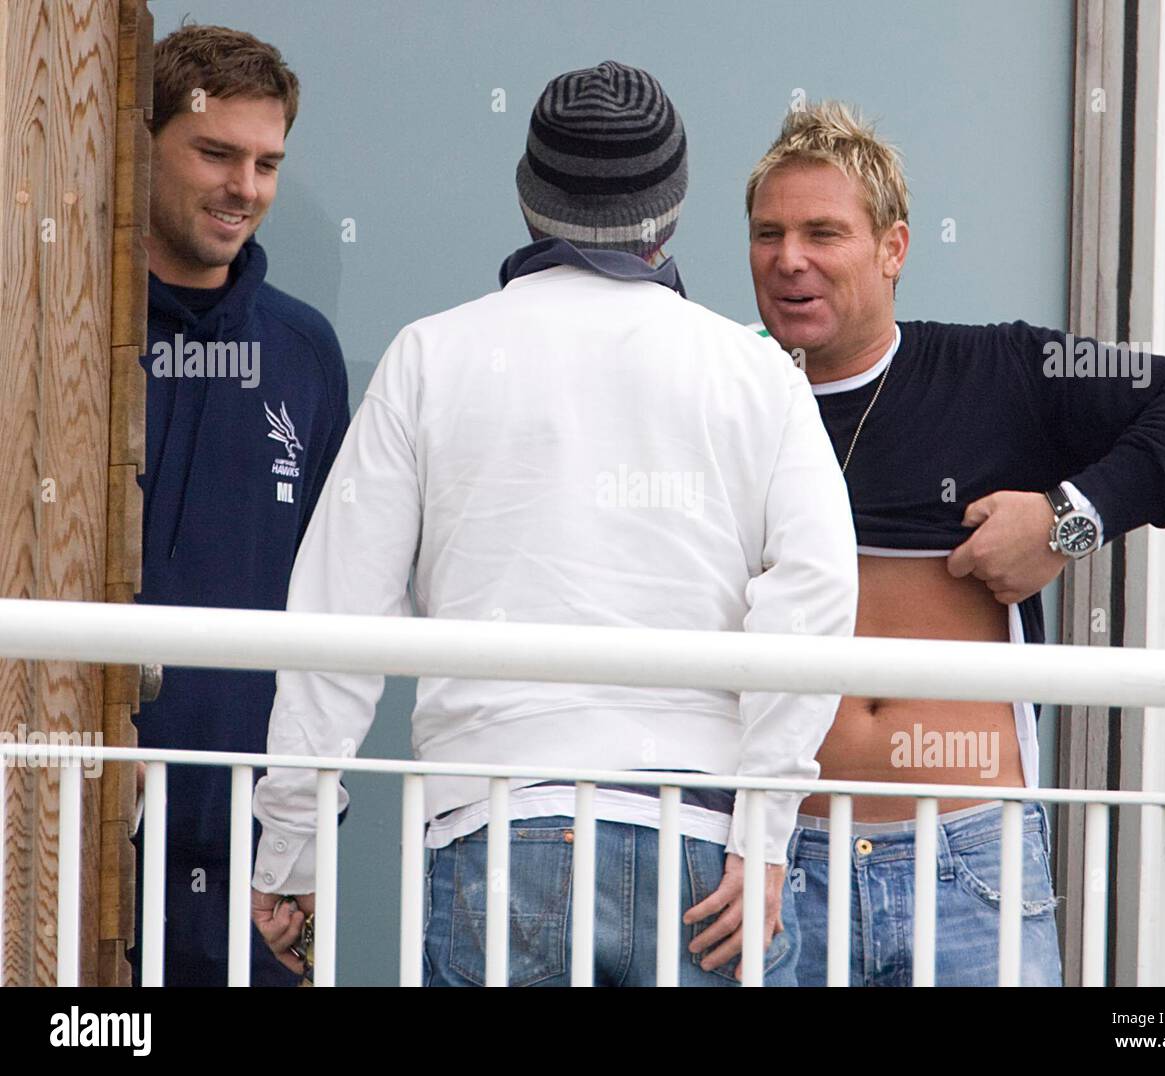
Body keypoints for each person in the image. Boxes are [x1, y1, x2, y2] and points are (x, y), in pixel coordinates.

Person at [249, 61, 857, 987]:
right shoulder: (756, 372)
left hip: (494, 822)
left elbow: (338, 619)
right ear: (675, 206)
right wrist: (765, 834)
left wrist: (291, 849)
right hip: (695, 838)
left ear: (529, 200)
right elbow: (813, 601)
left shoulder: (429, 356)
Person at [744, 101, 1165, 986]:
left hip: (965, 857)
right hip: (774, 857)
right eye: (769, 233)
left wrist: (1069, 518)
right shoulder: (727, 386)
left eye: (822, 232)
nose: (789, 258)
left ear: (893, 248)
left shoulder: (1001, 372)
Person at [130, 25, 350, 987]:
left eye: (266, 163)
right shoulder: (52, 328)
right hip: (59, 815)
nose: (245, 188)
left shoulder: (303, 352)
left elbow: (338, 611)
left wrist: (303, 832)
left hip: (244, 849)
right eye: (216, 152)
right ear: (142, 142)